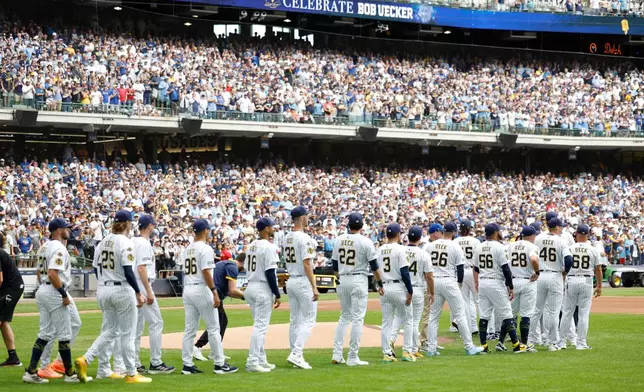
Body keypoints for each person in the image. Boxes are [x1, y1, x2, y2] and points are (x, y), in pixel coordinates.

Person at [74, 210, 151, 384]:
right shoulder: (126, 242)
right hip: (121, 289)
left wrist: (104, 280)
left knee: (109, 331)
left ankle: (87, 359)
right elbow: (128, 271)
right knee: (127, 334)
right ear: (128, 224)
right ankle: (131, 373)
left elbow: (94, 267)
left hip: (103, 289)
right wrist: (138, 292)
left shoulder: (103, 241)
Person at [22, 218, 83, 383]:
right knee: (64, 334)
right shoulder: (58, 247)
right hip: (54, 289)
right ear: (58, 230)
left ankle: (31, 372)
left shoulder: (44, 246)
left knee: (46, 332)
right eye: (65, 228)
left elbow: (38, 273)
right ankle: (69, 374)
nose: (68, 230)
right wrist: (63, 294)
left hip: (43, 289)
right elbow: (52, 273)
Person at [180, 219, 237, 375]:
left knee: (189, 330)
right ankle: (219, 364)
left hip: (188, 288)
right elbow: (206, 271)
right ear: (205, 230)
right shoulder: (205, 249)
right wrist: (214, 291)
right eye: (209, 230)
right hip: (201, 288)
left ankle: (187, 365)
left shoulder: (188, 249)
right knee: (214, 327)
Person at [423, 223, 483, 356]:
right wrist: (459, 284)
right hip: (449, 279)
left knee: (433, 317)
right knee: (460, 315)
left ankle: (431, 348)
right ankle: (469, 346)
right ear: (454, 232)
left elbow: (425, 268)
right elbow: (460, 269)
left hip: (435, 280)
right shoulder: (454, 245)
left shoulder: (429, 246)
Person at [331, 213, 383, 366]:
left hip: (343, 278)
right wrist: (380, 283)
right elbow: (374, 266)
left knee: (344, 316)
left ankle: (337, 353)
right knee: (358, 319)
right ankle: (353, 356)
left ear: (348, 225)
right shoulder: (366, 241)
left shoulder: (339, 239)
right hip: (358, 278)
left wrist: (339, 278)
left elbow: (334, 265)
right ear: (361, 225)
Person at [476, 223, 528, 354]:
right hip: (495, 282)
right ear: (494, 233)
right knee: (507, 313)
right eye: (498, 231)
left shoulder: (479, 247)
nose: (500, 232)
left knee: (484, 315)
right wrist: (510, 286)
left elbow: (476, 268)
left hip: (483, 281)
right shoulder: (500, 247)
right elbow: (506, 268)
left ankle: (483, 345)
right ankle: (516, 345)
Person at [133, 215, 175, 375]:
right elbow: (141, 268)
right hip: (143, 284)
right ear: (149, 226)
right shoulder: (143, 243)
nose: (154, 228)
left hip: (134, 285)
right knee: (156, 323)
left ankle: (135, 363)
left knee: (136, 328)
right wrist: (148, 291)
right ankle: (156, 362)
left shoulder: (133, 241)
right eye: (153, 225)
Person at [388, 225, 434, 358]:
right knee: (413, 321)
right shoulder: (423, 253)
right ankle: (412, 348)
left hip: (403, 287)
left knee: (399, 316)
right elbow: (429, 275)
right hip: (417, 288)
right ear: (420, 238)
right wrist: (432, 292)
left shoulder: (401, 250)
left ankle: (391, 340)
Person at [193, 249, 246, 361]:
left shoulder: (223, 263)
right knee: (216, 324)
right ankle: (198, 347)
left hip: (211, 294)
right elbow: (232, 291)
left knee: (221, 322)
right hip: (213, 296)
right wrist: (246, 296)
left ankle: (215, 351)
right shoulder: (233, 267)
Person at [244, 217, 281, 373]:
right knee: (260, 327)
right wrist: (277, 293)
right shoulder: (269, 247)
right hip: (262, 286)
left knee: (259, 326)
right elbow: (270, 273)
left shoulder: (251, 245)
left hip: (250, 285)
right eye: (272, 226)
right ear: (266, 228)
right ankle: (252, 361)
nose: (274, 229)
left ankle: (261, 359)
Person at [529, 218, 572, 351]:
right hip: (555, 275)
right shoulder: (560, 240)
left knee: (536, 310)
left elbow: (532, 256)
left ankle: (530, 339)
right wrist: (565, 272)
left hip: (540, 275)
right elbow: (569, 259)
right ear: (557, 227)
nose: (562, 228)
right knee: (553, 312)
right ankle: (552, 343)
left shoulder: (538, 238)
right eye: (561, 226)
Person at [284, 206, 319, 370]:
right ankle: (296, 353)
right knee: (309, 319)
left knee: (295, 320)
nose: (308, 218)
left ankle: (294, 352)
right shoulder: (304, 238)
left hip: (291, 278)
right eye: (306, 216)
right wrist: (314, 286)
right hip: (303, 280)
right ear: (302, 218)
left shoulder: (286, 237)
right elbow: (307, 263)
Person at [557, 224, 602, 350]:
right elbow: (598, 269)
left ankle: (561, 342)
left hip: (571, 279)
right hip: (587, 279)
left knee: (567, 312)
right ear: (587, 234)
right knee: (583, 314)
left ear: (576, 234)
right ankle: (581, 343)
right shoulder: (593, 249)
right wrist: (599, 286)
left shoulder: (569, 248)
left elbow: (563, 268)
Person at [378, 223, 414, 363]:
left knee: (386, 322)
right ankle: (407, 351)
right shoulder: (400, 249)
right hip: (398, 286)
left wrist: (379, 285)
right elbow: (405, 272)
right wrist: (410, 291)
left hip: (385, 287)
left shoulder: (379, 249)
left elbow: (376, 270)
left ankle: (387, 353)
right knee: (408, 319)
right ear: (398, 234)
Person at [501, 226, 540, 352]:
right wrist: (537, 272)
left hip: (513, 280)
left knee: (510, 313)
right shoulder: (532, 246)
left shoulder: (510, 245)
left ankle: (502, 341)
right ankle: (524, 342)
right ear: (532, 236)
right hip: (527, 280)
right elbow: (533, 259)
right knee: (526, 314)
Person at [453, 219, 481, 335]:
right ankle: (482, 327)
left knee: (465, 301)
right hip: (473, 270)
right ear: (470, 229)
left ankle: (471, 327)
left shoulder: (455, 241)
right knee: (478, 300)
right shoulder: (475, 241)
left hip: (460, 272)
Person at [0, 244, 24, 367]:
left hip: (12, 287)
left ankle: (13, 358)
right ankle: (13, 357)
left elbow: (0, 279)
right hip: (9, 288)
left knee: (1, 320)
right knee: (3, 322)